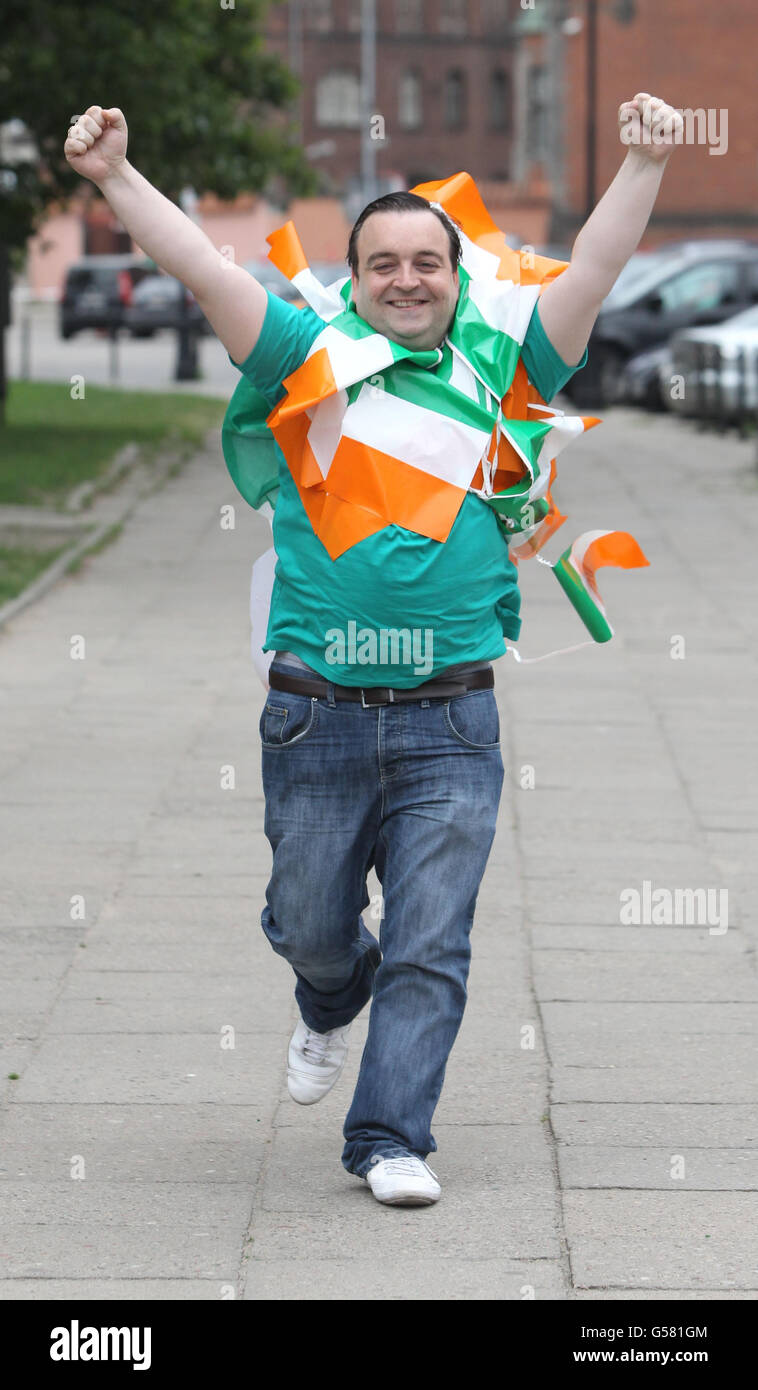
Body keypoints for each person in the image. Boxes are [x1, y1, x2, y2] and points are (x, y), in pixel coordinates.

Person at [65, 93, 682, 1207]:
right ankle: (321, 996)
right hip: (314, 710)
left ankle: (389, 1136)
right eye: (381, 262)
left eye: (426, 261)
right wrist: (114, 178)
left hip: (451, 714)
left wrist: (640, 159)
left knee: (431, 942)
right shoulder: (307, 354)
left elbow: (589, 268)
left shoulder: (510, 368)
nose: (406, 278)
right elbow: (208, 270)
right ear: (350, 279)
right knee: (310, 923)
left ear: (457, 274)